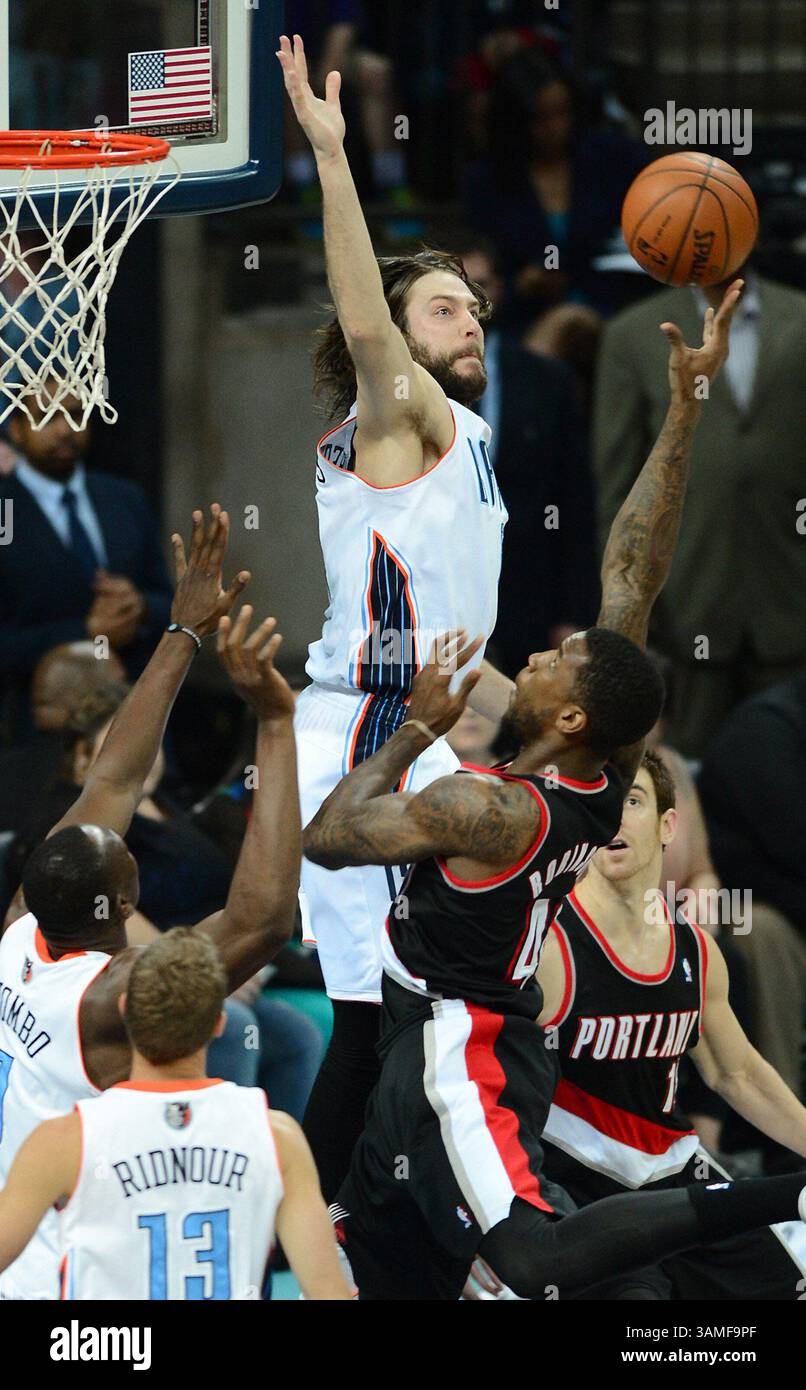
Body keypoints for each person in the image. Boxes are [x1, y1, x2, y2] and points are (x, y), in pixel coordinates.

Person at [302, 285, 804, 1299]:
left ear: (569, 718)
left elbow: (327, 835)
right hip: (459, 1035)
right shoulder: (598, 769)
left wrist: (415, 730)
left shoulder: (493, 809)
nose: (532, 654)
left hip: (459, 1040)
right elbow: (634, 571)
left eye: (548, 668)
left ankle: (774, 1195)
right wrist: (684, 409)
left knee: (526, 1261)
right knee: (383, 1259)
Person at [277, 33, 513, 1201]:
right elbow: (366, 330)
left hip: (430, 732)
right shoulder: (393, 422)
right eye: (440, 308)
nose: (464, 320)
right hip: (369, 737)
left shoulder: (468, 437)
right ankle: (309, 1228)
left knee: (429, 1008)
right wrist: (332, 158)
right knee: (374, 1014)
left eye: (471, 307)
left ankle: (397, 1223)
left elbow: (468, 641)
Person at [0, 506, 301, 1301]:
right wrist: (275, 723)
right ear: (125, 901)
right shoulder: (111, 1000)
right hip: (67, 1281)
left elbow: (112, 782)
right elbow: (263, 919)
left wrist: (181, 633)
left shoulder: (16, 932)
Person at [535, 751, 806, 1299]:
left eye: (631, 800)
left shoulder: (697, 950)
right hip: (575, 1193)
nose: (612, 815)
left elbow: (739, 1075)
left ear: (667, 825)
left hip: (677, 1178)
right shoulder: (544, 943)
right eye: (599, 801)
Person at [0, 928, 352, 1301]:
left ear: (124, 1012)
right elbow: (328, 1292)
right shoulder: (278, 1138)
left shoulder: (66, 1141)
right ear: (219, 1022)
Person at [593, 267, 806, 757]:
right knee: (686, 769)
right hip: (686, 594)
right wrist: (625, 607)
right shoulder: (632, 332)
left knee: (790, 768)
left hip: (789, 589)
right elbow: (615, 483)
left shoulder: (798, 315)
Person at [456, 235, 598, 669]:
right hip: (436, 603)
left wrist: (573, 614)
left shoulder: (547, 381)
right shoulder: (404, 386)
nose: (468, 305)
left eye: (478, 287)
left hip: (529, 598)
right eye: (452, 292)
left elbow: (575, 502)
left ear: (498, 289)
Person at [0, 386, 173, 741]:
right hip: (35, 734)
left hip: (136, 717)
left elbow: (169, 603)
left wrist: (138, 608)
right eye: (47, 416)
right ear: (16, 429)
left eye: (76, 414)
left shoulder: (124, 499)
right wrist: (86, 633)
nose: (64, 429)